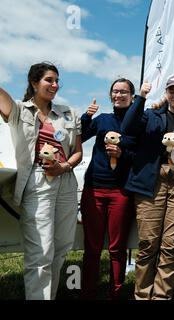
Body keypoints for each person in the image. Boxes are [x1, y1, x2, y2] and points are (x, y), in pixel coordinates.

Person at [0, 62, 82, 300]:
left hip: (66, 180)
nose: (55, 85)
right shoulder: (19, 110)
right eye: (49, 80)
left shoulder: (69, 113)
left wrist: (63, 167)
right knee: (41, 251)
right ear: (34, 83)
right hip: (37, 181)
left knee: (61, 247)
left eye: (57, 81)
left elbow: (76, 151)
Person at [121, 74, 174, 300]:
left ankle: (161, 297)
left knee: (172, 246)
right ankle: (142, 295)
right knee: (148, 244)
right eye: (172, 91)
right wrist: (140, 97)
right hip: (152, 182)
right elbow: (127, 128)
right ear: (166, 93)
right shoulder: (151, 115)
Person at [79, 78, 137, 299]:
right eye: (115, 91)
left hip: (121, 191)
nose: (118, 95)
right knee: (92, 247)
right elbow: (80, 137)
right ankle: (88, 293)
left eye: (124, 92)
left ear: (132, 96)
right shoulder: (102, 120)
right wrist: (87, 116)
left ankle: (116, 293)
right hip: (93, 188)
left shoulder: (138, 122)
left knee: (116, 248)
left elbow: (140, 156)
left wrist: (123, 155)